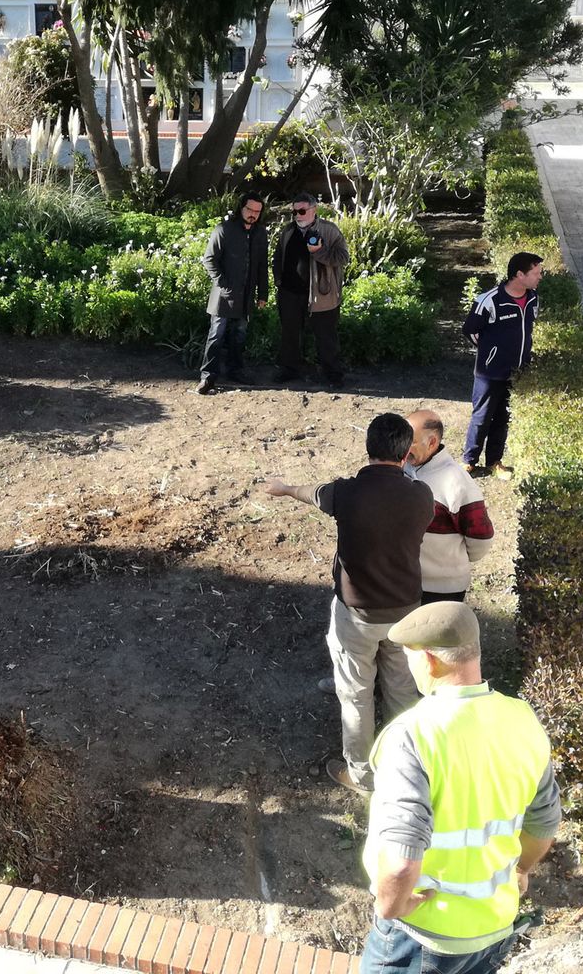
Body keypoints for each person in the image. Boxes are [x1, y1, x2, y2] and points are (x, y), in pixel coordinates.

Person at [360, 601, 561, 974]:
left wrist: (390, 906)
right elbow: (544, 823)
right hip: (493, 925)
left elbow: (402, 861)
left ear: (430, 661)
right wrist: (520, 869)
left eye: (410, 657)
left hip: (423, 935)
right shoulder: (523, 719)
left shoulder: (413, 736)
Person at [263, 413, 433, 792]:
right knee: (402, 690)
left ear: (368, 447)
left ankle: (362, 775)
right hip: (406, 613)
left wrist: (286, 488)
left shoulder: (345, 493)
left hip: (356, 615)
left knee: (356, 695)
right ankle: (407, 767)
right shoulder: (422, 496)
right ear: (406, 453)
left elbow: (313, 492)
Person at [461, 252, 543, 478]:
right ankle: (469, 461)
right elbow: (469, 330)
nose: (540, 277)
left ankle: (494, 461)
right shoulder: (489, 300)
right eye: (536, 273)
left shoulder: (533, 298)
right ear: (519, 275)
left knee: (503, 418)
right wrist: (490, 352)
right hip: (490, 373)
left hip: (517, 373)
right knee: (481, 417)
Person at [404, 411, 495, 604]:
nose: (403, 447)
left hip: (441, 592)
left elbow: (481, 538)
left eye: (410, 441)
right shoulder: (399, 468)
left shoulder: (457, 482)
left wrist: (448, 565)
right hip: (404, 583)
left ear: (432, 442)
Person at [272, 192, 349, 387]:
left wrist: (319, 252)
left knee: (326, 335)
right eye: (294, 211)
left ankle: (333, 374)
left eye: (302, 211)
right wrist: (279, 281)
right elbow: (278, 257)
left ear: (314, 210)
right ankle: (290, 369)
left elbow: (343, 258)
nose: (297, 215)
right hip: (290, 293)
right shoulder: (288, 230)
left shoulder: (329, 230)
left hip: (321, 294)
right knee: (290, 334)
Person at [198, 190, 269, 394]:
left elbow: (261, 265)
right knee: (216, 335)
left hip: (247, 294)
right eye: (249, 209)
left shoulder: (260, 233)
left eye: (257, 211)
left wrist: (263, 293)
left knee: (239, 334)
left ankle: (235, 370)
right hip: (223, 294)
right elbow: (209, 260)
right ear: (241, 208)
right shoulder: (224, 229)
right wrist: (224, 285)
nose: (253, 214)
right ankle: (207, 377)